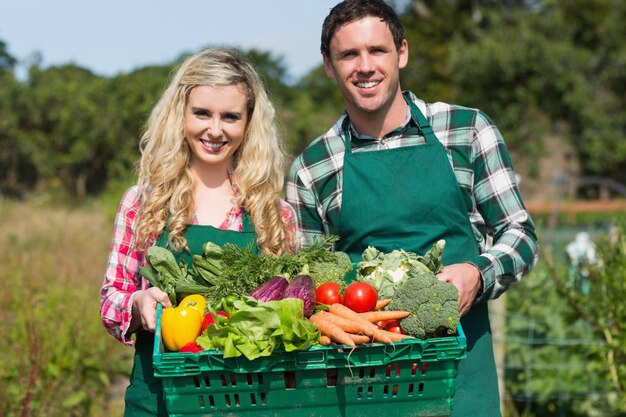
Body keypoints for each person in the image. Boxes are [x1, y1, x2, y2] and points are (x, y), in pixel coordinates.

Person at [285, 1, 538, 415]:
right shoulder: (313, 168)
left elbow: (521, 233)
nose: (365, 66)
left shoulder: (466, 130)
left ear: (402, 52)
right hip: (362, 383)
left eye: (377, 51)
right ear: (329, 66)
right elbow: (309, 284)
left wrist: (479, 272)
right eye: (348, 54)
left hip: (461, 371)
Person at [99, 48, 298, 417]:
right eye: (202, 113)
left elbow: (293, 313)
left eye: (231, 117)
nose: (215, 129)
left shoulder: (274, 214)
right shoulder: (143, 202)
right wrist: (137, 306)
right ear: (181, 114)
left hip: (251, 402)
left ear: (248, 123)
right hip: (159, 400)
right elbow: (112, 297)